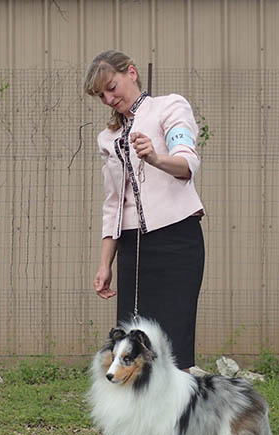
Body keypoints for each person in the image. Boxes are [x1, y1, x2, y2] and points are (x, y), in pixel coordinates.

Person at [84, 50, 205, 370]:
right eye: (102, 95)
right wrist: (104, 264)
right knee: (132, 345)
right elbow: (113, 202)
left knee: (174, 343)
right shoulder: (108, 138)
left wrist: (154, 159)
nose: (109, 99)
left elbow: (187, 163)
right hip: (132, 248)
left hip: (177, 241)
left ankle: (176, 417)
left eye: (112, 87)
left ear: (132, 73)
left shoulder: (170, 106)